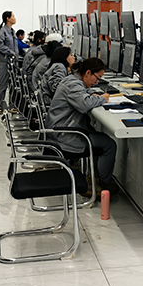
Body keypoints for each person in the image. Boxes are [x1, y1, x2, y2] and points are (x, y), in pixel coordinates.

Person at [45, 57, 119, 197]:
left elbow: (81, 93)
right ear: (88, 73)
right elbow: (84, 104)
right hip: (65, 135)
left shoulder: (72, 79)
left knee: (98, 135)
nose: (97, 82)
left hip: (61, 129)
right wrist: (102, 98)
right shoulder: (74, 84)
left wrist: (91, 93)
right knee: (109, 144)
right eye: (97, 78)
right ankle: (103, 184)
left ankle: (93, 178)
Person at [0, 11, 18, 113]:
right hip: (5, 61)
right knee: (3, 84)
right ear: (8, 18)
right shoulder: (3, 31)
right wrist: (10, 52)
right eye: (13, 16)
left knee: (13, 84)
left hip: (13, 62)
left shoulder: (12, 31)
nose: (15, 18)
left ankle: (12, 105)